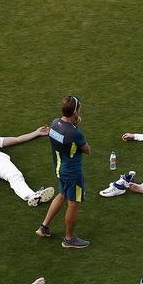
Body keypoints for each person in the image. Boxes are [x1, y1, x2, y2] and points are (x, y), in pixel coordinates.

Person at [36, 96, 91, 249]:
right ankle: (69, 239)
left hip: (60, 167)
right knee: (73, 202)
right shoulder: (75, 133)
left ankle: (44, 227)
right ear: (75, 112)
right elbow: (87, 150)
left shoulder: (54, 123)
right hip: (72, 172)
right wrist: (76, 127)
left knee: (62, 195)